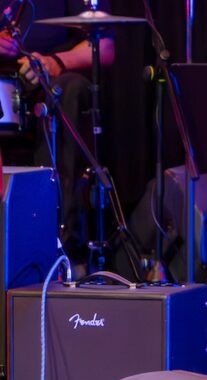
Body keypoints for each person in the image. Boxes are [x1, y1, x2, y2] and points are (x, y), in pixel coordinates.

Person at [0, 0, 114, 269]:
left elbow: (105, 48)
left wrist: (55, 63)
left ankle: (64, 246)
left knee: (72, 90)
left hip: (45, 87)